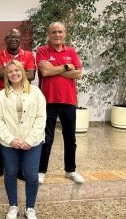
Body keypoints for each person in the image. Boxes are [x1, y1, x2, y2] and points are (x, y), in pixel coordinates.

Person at [0, 60, 46, 219]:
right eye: (10, 72)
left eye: (17, 70)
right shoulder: (1, 95)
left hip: (33, 142)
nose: (14, 74)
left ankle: (30, 208)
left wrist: (30, 140)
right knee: (10, 173)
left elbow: (41, 117)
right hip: (9, 143)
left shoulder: (36, 92)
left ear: (22, 72)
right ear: (6, 75)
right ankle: (13, 206)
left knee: (31, 175)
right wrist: (11, 139)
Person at [37, 22, 85, 184]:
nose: (57, 35)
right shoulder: (43, 50)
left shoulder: (70, 50)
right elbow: (45, 71)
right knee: (46, 139)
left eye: (60, 32)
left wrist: (55, 69)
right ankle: (41, 171)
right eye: (53, 32)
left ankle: (70, 170)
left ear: (65, 33)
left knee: (70, 138)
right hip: (48, 100)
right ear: (49, 35)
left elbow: (78, 74)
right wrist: (66, 67)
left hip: (69, 101)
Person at [0, 29, 36, 180]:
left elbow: (32, 75)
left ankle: (20, 169)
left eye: (16, 37)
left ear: (20, 39)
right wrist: (19, 71)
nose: (13, 39)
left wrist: (8, 72)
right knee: (0, 133)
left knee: (22, 132)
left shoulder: (29, 55)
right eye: (10, 36)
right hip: (5, 98)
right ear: (5, 39)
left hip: (24, 97)